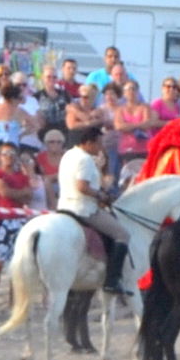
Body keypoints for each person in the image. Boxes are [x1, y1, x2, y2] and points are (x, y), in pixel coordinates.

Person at [58, 123, 130, 293]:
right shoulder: (85, 159)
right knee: (122, 234)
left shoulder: (68, 154)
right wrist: (101, 196)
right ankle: (112, 280)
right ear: (88, 143)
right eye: (98, 143)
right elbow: (82, 187)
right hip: (83, 208)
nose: (101, 148)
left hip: (63, 205)